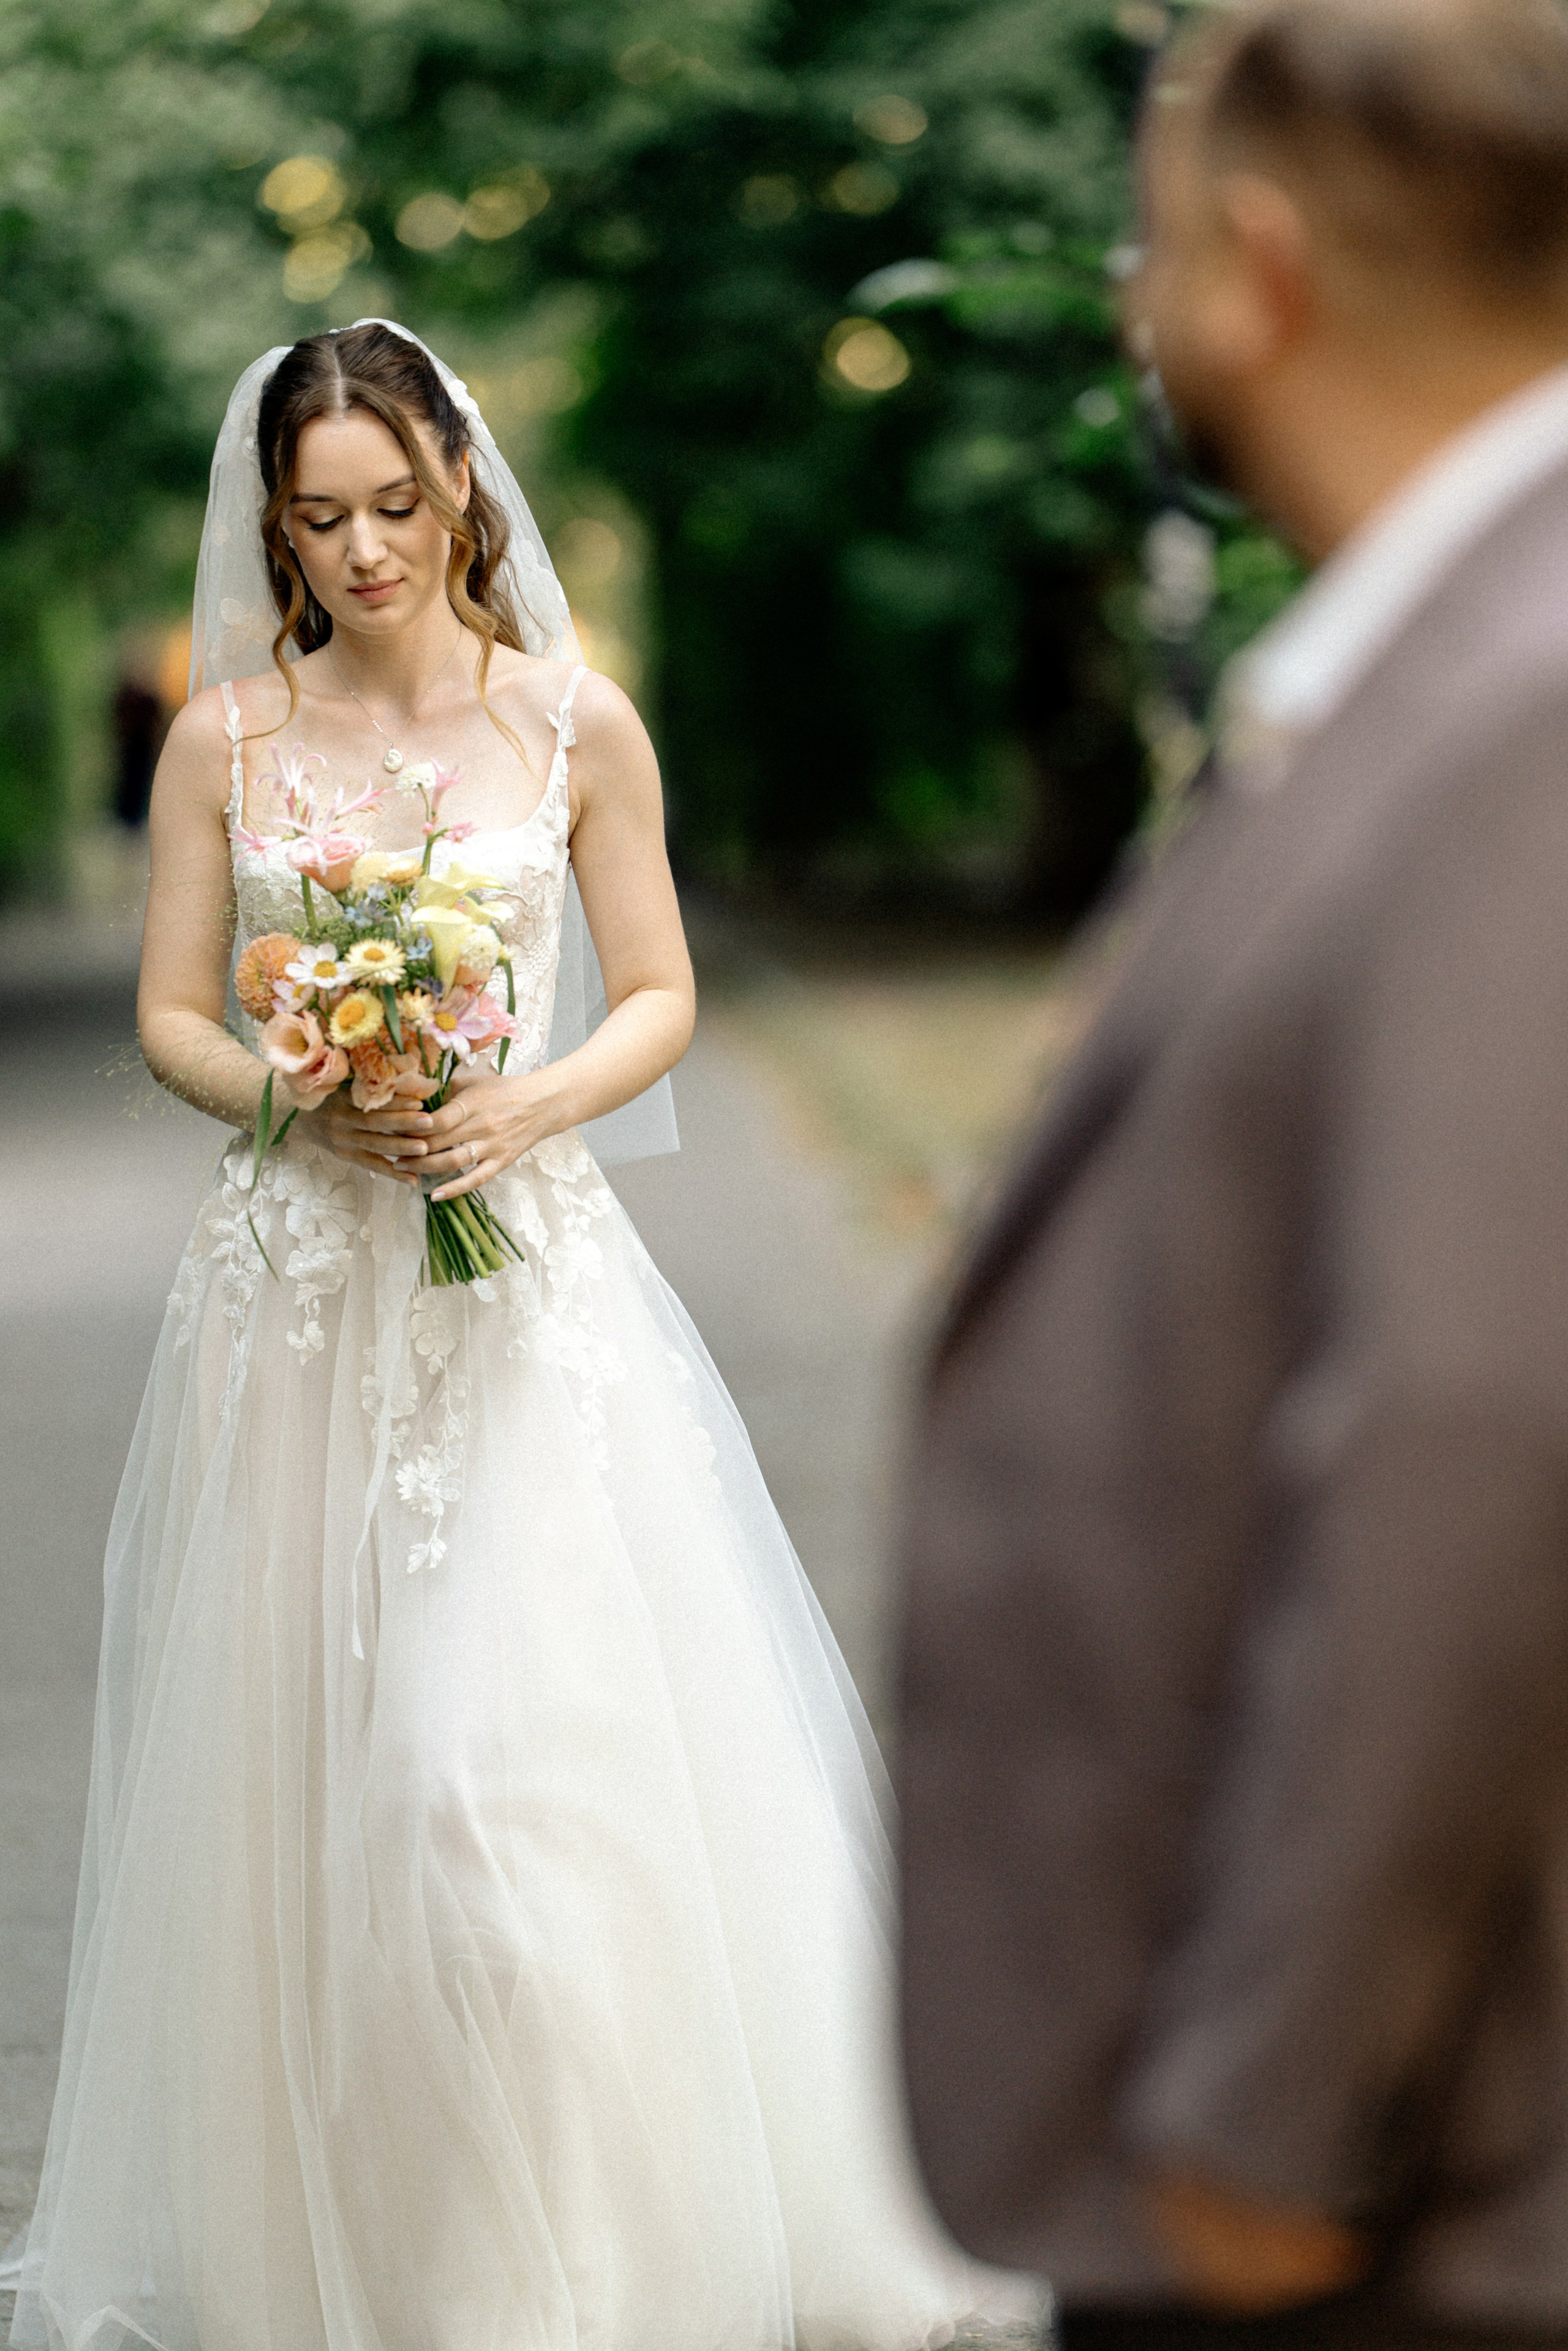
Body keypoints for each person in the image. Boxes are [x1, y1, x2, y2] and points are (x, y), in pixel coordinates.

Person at [8, 320, 1038, 2351]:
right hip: (301, 1309)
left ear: (464, 483)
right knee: (322, 1818)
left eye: (398, 503)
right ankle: (374, 2258)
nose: (366, 549)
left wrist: (521, 1103)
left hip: (527, 1307)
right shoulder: (225, 740)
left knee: (486, 1805)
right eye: (320, 519)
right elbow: (174, 1020)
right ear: (276, 528)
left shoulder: (579, 725)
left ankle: (560, 2281)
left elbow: (656, 992)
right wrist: (307, 1094)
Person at [897, 2, 1568, 2345]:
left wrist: (1274, 2116)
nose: (1129, 296)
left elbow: (1477, 1427)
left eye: (1148, 237)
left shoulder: (1528, 703)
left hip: (1409, 2185)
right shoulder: (1450, 652)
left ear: (1257, 266)